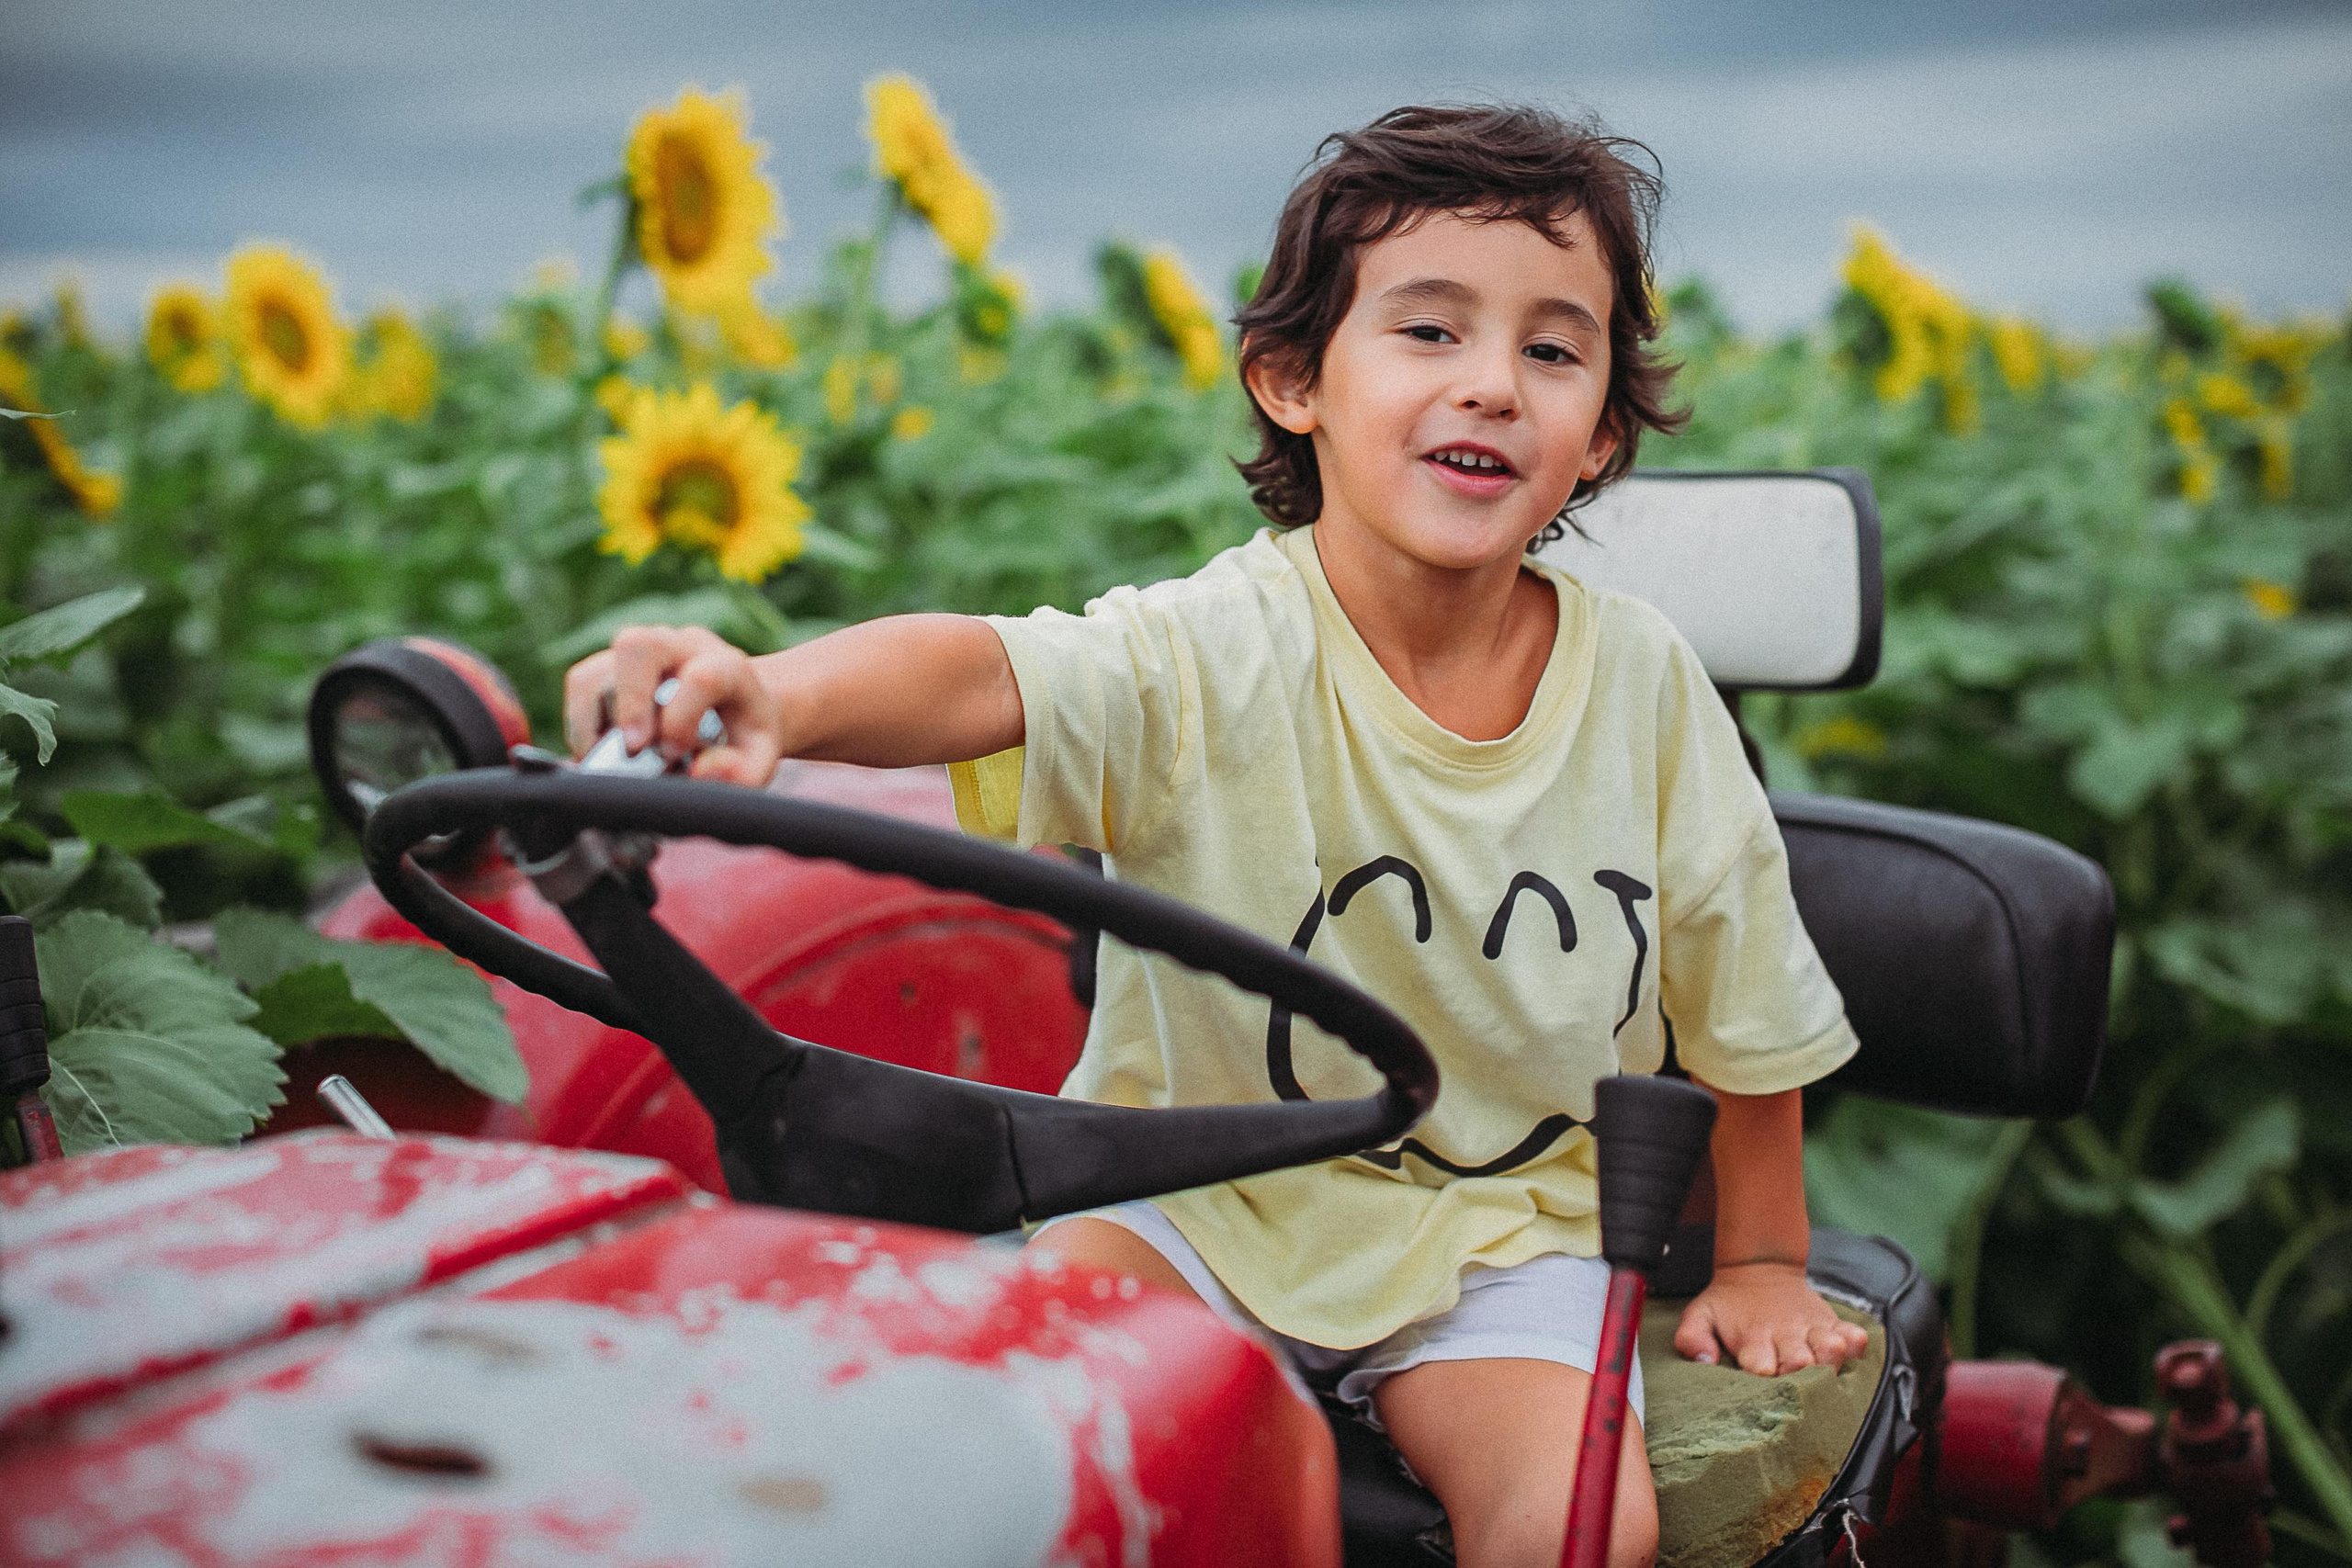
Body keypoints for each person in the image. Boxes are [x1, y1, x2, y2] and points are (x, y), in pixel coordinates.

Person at [565, 102, 1871, 1568]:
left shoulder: (1645, 689)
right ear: (1295, 380)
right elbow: (984, 670)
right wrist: (771, 694)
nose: (1495, 385)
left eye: (1554, 351)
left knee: (1581, 1531)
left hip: (1506, 1243)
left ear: (1603, 436)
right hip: (1185, 1198)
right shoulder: (1206, 650)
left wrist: (1761, 1257)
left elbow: (1738, 986)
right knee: (1013, 1441)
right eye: (1431, 332)